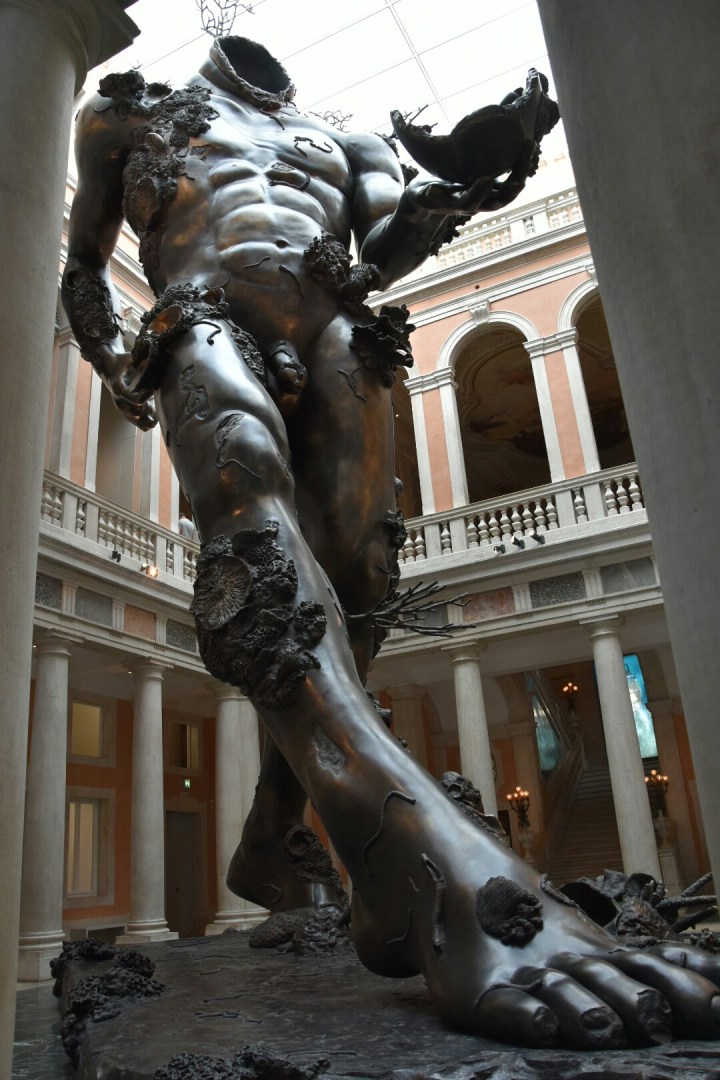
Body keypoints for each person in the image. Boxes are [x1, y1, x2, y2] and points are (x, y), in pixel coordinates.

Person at [62, 36, 720, 1049]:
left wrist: (455, 187)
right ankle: (427, 871)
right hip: (199, 313)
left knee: (362, 577)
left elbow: (383, 251)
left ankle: (273, 834)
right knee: (251, 521)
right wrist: (117, 360)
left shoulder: (347, 141)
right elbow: (82, 266)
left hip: (339, 334)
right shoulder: (128, 112)